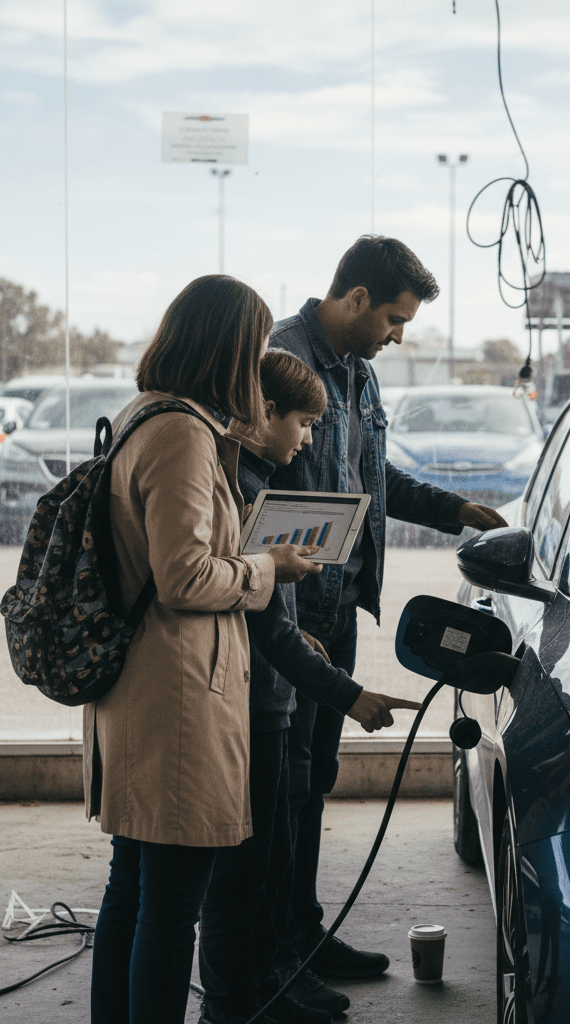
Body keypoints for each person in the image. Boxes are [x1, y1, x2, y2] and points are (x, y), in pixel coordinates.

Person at [84, 275, 324, 1024]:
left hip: (140, 689)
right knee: (170, 908)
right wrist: (268, 567)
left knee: (133, 890)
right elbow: (184, 576)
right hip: (176, 697)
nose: (260, 362)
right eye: (253, 346)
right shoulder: (183, 433)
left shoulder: (143, 416)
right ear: (227, 347)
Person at [267, 235, 508, 977]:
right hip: (291, 613)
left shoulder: (361, 377)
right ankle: (276, 951)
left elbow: (375, 479)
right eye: (395, 319)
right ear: (357, 299)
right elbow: (265, 494)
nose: (399, 336)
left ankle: (300, 936)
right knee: (284, 786)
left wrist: (459, 509)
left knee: (314, 780)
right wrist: (288, 617)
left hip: (337, 609)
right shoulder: (285, 360)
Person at [198, 350, 422, 1024]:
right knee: (246, 874)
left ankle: (267, 982)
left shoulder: (255, 478)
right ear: (263, 411)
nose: (307, 440)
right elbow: (266, 631)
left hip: (271, 700)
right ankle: (243, 1002)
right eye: (302, 423)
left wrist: (299, 623)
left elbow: (268, 615)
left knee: (265, 861)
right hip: (256, 706)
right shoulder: (239, 493)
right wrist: (350, 696)